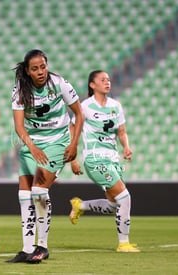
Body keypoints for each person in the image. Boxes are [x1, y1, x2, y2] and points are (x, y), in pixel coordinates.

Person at [7, 49, 84, 263]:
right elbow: (19, 126)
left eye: (43, 66)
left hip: (57, 141)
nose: (41, 71)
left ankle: (42, 247)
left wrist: (74, 144)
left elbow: (79, 114)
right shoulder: (20, 90)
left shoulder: (59, 84)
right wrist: (31, 146)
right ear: (27, 71)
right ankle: (26, 248)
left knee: (39, 190)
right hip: (33, 144)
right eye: (35, 68)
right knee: (24, 195)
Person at [69, 70, 140, 253]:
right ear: (92, 85)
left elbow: (121, 131)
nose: (107, 82)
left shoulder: (116, 106)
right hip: (94, 158)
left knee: (114, 204)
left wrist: (126, 146)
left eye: (108, 79)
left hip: (112, 159)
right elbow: (72, 128)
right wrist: (73, 158)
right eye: (102, 80)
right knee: (125, 197)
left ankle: (80, 205)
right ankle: (123, 243)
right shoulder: (85, 107)